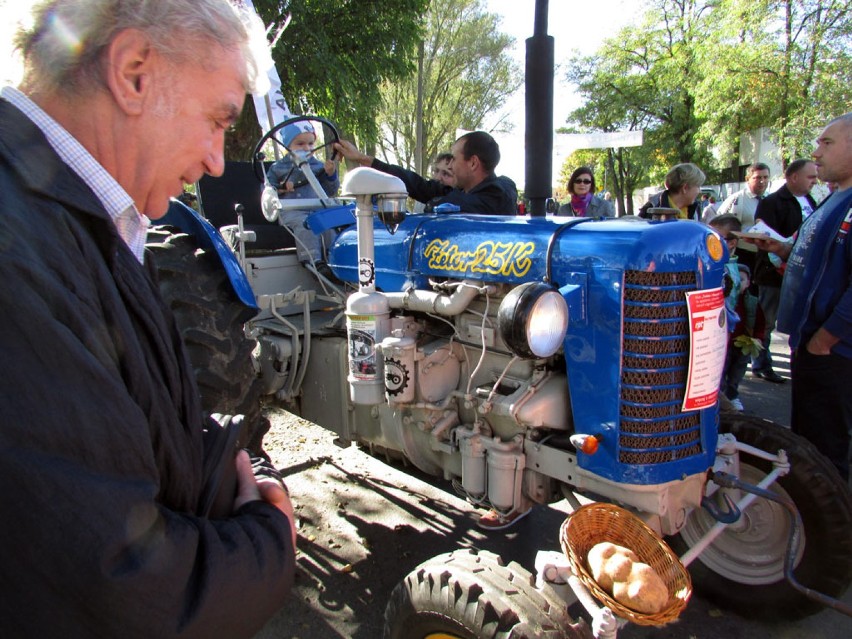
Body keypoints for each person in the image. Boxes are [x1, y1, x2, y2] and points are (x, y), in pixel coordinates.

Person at [0, 2, 296, 637]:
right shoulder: (16, 248)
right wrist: (270, 543)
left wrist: (240, 461)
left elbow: (141, 416)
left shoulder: (85, 222)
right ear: (134, 72)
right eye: (217, 120)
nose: (218, 162)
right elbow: (116, 593)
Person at [747, 113, 852, 480]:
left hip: (833, 350)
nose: (816, 152)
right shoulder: (834, 199)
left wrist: (827, 338)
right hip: (812, 342)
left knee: (827, 450)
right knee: (811, 439)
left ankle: (830, 529)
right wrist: (780, 248)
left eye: (827, 143)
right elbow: (821, 257)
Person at [333, 130, 518, 214]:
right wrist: (362, 159)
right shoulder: (464, 193)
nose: (451, 166)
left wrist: (434, 205)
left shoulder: (496, 196)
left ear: (473, 163)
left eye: (454, 159)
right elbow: (417, 185)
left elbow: (448, 203)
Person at [750, 159, 818, 384]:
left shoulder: (810, 200)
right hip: (773, 273)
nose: (814, 181)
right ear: (794, 177)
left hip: (802, 272)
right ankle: (761, 364)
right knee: (766, 322)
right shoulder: (773, 202)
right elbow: (764, 235)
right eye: (810, 177)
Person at [266, 120, 339, 266]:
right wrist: (281, 188)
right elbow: (268, 192)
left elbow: (330, 191)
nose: (307, 148)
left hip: (316, 209)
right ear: (287, 145)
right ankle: (313, 262)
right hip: (292, 212)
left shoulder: (319, 167)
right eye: (300, 144)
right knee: (306, 225)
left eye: (311, 144)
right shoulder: (278, 168)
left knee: (329, 227)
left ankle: (334, 261)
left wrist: (331, 175)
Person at [723, 264, 768, 412]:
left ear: (749, 282)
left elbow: (761, 323)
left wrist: (758, 337)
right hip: (726, 345)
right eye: (736, 280)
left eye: (742, 280)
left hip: (744, 344)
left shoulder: (753, 303)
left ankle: (733, 396)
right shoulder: (726, 300)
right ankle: (723, 397)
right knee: (723, 371)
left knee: (737, 372)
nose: (739, 283)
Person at [638, 163, 705, 220]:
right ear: (685, 188)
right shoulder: (650, 210)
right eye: (698, 186)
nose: (699, 191)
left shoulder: (695, 209)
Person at [716, 162, 772, 227]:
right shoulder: (736, 199)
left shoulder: (772, 200)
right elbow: (718, 224)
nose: (762, 181)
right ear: (747, 179)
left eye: (765, 177)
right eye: (758, 177)